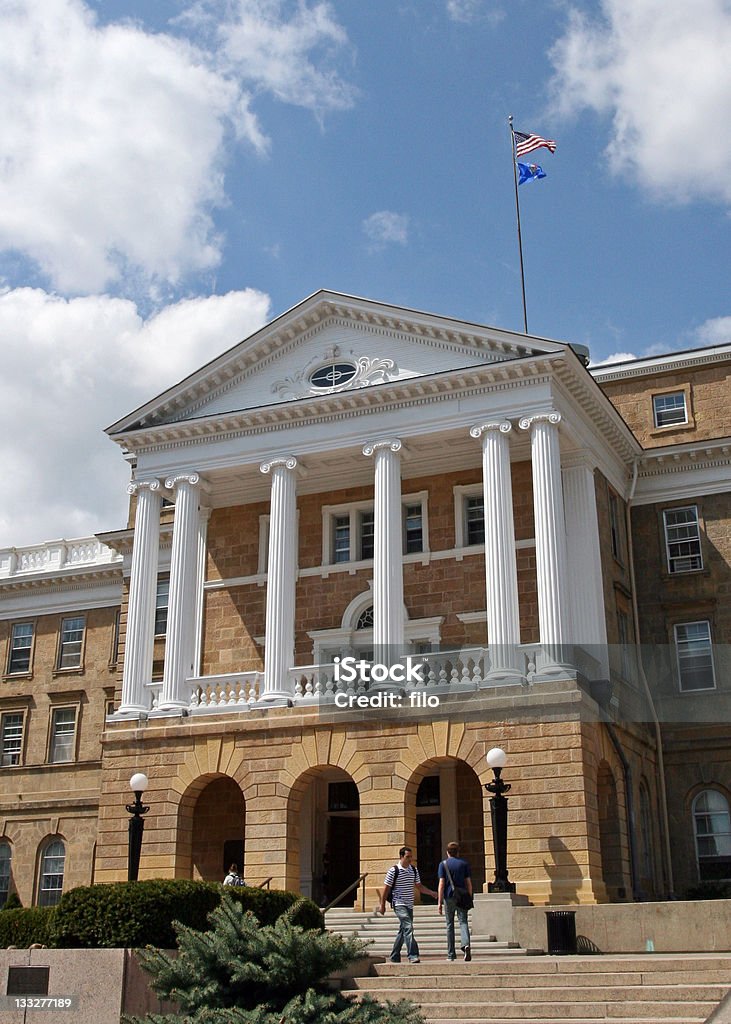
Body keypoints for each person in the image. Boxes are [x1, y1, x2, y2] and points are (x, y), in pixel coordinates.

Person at [378, 846, 438, 964]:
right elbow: (386, 889)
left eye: (411, 857)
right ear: (401, 857)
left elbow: (419, 886)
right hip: (399, 903)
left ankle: (395, 955)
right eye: (408, 857)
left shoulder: (413, 870)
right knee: (408, 927)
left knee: (403, 930)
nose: (410, 859)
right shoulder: (394, 870)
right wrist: (382, 904)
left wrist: (431, 893)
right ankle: (413, 955)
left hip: (409, 904)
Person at [438, 841, 473, 961]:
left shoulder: (443, 864)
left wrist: (439, 902)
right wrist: (469, 896)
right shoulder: (464, 864)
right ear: (458, 852)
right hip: (462, 896)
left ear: (447, 852)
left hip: (449, 897)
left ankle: (451, 954)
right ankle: (466, 944)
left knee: (449, 925)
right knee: (463, 921)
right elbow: (468, 882)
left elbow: (441, 884)